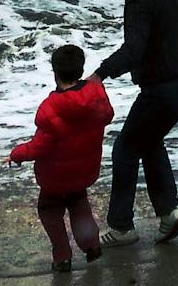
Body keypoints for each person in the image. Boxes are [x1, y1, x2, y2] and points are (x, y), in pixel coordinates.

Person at [90, 0, 178, 247]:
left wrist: (101, 73)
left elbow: (134, 49)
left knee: (125, 149)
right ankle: (169, 212)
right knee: (149, 141)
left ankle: (122, 227)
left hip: (161, 92)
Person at [6, 43, 114, 274]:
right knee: (79, 205)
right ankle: (91, 245)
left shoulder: (51, 108)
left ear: (55, 72)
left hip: (54, 179)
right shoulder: (96, 96)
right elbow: (107, 117)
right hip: (83, 171)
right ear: (80, 68)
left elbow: (38, 147)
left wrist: (16, 155)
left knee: (49, 210)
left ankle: (62, 256)